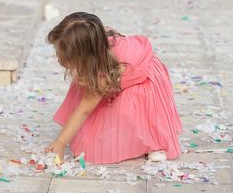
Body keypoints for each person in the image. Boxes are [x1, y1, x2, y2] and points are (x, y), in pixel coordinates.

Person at [45, 12, 182, 164]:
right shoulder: (97, 41)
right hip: (124, 71)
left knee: (127, 108)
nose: (57, 57)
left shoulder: (103, 73)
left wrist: (61, 142)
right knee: (84, 85)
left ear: (82, 56)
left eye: (60, 53)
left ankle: (154, 141)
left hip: (145, 82)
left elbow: (84, 109)